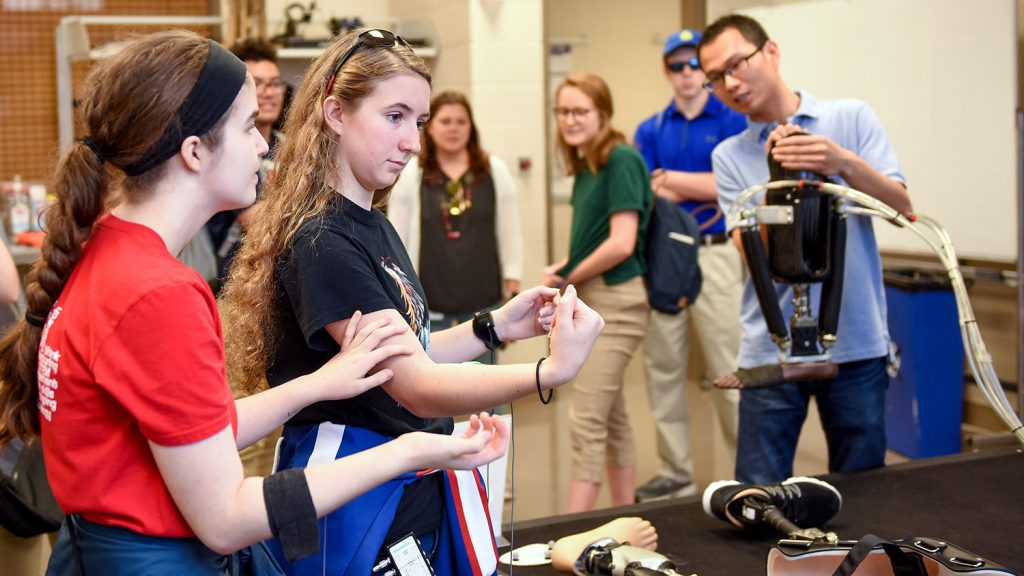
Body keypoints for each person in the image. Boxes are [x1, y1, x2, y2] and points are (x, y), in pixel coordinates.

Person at [0, 30, 511, 574]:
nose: (265, 145)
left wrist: (321, 383)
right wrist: (410, 452)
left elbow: (200, 432)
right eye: (247, 127)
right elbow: (226, 518)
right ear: (194, 151)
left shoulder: (107, 250)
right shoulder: (160, 293)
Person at [218, 28, 604, 575]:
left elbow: (409, 349)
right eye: (394, 117)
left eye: (418, 122)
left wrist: (493, 328)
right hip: (351, 489)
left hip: (399, 480)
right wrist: (548, 372)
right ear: (334, 113)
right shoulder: (321, 240)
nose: (413, 142)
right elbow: (415, 387)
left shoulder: (370, 221)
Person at [697, 15, 912, 484]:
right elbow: (757, 259)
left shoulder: (849, 119)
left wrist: (841, 163)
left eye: (738, 64)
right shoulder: (730, 156)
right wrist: (781, 186)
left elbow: (901, 208)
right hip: (770, 350)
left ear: (771, 52)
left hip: (855, 343)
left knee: (867, 495)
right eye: (716, 78)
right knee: (759, 496)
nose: (731, 83)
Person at [632, 28, 747, 502]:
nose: (687, 74)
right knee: (663, 367)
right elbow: (645, 191)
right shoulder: (651, 129)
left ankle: (749, 469)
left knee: (731, 366)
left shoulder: (733, 121)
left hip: (718, 253)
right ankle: (676, 471)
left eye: (694, 65)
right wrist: (700, 185)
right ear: (667, 71)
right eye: (677, 66)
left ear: (707, 69)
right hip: (667, 260)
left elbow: (738, 187)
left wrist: (674, 180)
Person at [543, 72, 653, 513]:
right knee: (613, 418)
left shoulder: (620, 159)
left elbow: (622, 242)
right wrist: (565, 271)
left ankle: (572, 530)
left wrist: (568, 273)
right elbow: (594, 239)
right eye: (563, 111)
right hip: (595, 295)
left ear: (603, 113)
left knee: (586, 420)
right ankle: (625, 513)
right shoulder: (586, 165)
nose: (570, 120)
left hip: (619, 300)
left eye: (580, 111)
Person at [388, 91, 523, 364]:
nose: (454, 128)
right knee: (432, 388)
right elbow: (396, 235)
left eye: (461, 121)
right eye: (445, 121)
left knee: (485, 389)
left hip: (483, 297)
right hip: (429, 297)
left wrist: (513, 282)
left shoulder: (493, 170)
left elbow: (510, 230)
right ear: (430, 127)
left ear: (471, 128)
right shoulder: (412, 174)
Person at [204, 37, 287, 287]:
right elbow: (258, 223)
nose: (268, 93)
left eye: (274, 84)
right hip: (232, 278)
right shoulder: (224, 150)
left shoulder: (290, 147)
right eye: (258, 84)